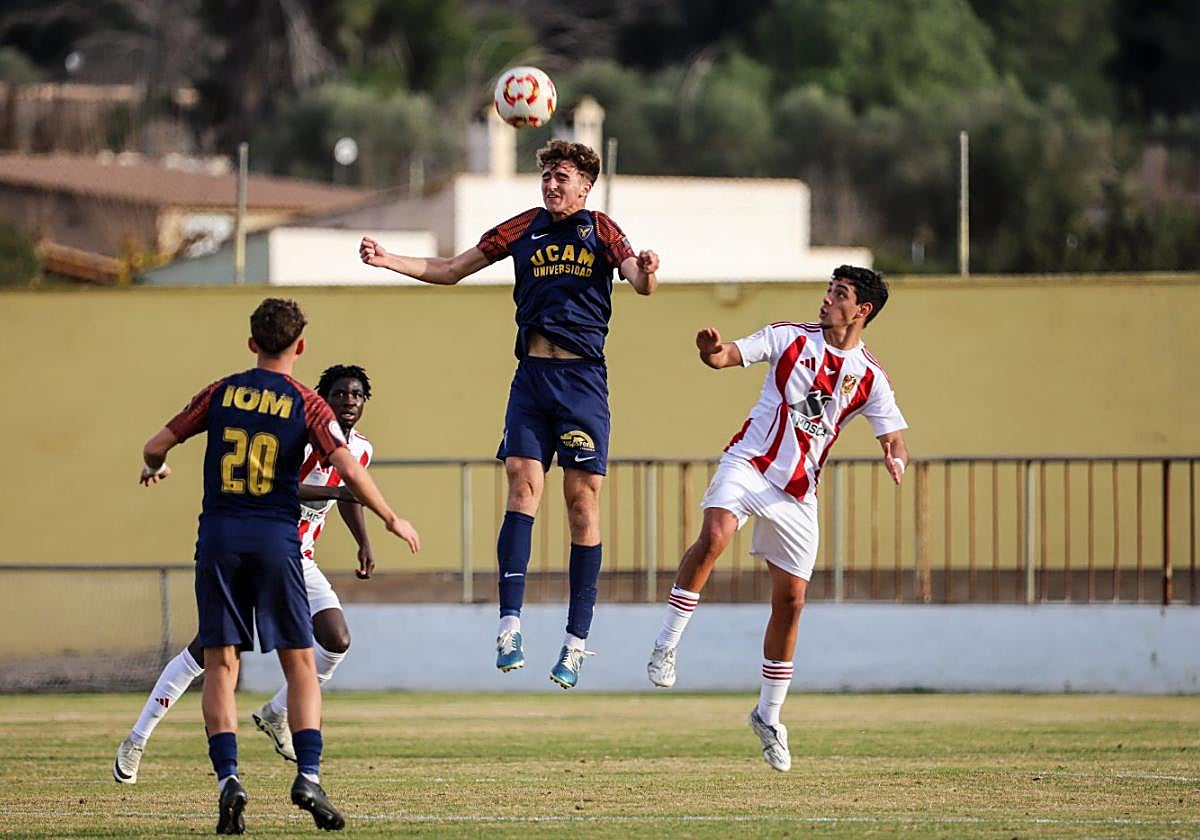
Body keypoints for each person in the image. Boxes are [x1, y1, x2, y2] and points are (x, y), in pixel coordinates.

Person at [359, 139, 659, 689]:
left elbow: (637, 280)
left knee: (580, 502)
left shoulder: (600, 229)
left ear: (585, 185)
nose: (551, 185)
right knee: (522, 485)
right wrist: (388, 260)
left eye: (561, 177)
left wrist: (648, 271)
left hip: (582, 381)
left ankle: (575, 642)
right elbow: (451, 268)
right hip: (531, 379)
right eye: (546, 176)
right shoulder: (522, 227)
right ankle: (509, 625)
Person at [132, 299, 419, 833]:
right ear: (300, 346)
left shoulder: (220, 392)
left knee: (220, 664)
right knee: (300, 664)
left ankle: (229, 780)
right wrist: (390, 517)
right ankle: (308, 774)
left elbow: (155, 445)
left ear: (251, 343)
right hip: (276, 541)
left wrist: (157, 466)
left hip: (218, 538)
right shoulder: (307, 404)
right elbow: (347, 469)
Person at [645, 266, 909, 772]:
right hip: (749, 464)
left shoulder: (870, 377)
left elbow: (893, 434)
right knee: (716, 533)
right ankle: (666, 645)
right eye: (829, 290)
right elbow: (727, 357)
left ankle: (768, 715)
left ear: (862, 311)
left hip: (798, 493)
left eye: (840, 295)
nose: (828, 300)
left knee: (791, 602)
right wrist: (710, 351)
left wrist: (894, 456)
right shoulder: (788, 337)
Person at [113, 364, 379, 783]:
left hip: (298, 559)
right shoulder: (301, 436)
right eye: (340, 394)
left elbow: (349, 494)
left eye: (357, 395)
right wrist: (337, 490)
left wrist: (363, 541)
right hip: (256, 547)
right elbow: (283, 483)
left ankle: (276, 713)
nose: (349, 401)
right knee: (210, 650)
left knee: (336, 639)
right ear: (322, 399)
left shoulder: (362, 449)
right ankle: (137, 738)